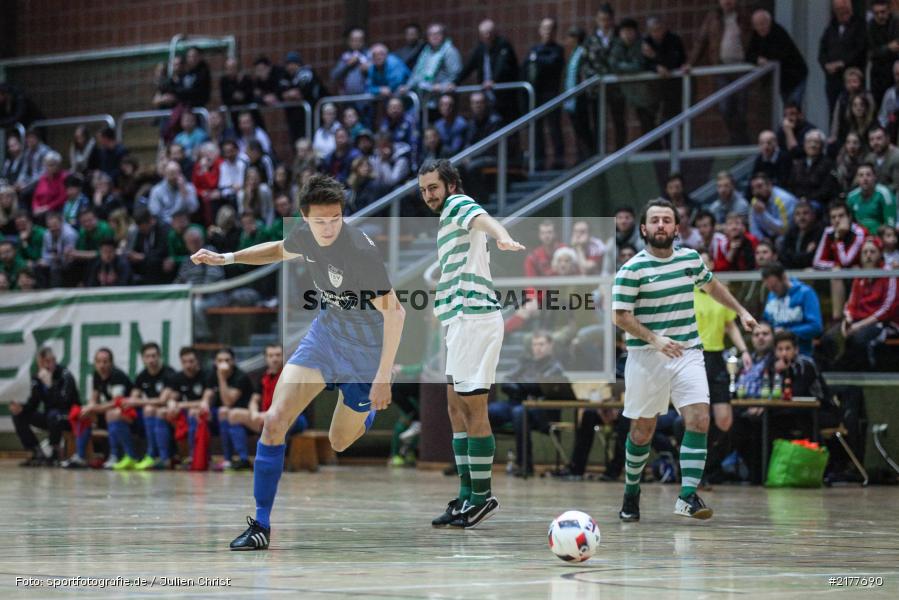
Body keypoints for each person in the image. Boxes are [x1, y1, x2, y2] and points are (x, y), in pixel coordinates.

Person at [190, 174, 405, 549]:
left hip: (363, 354)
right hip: (324, 338)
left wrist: (383, 377)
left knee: (339, 442)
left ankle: (364, 411)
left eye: (335, 218)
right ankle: (261, 525)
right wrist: (227, 258)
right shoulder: (306, 236)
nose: (328, 227)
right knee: (273, 421)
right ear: (305, 218)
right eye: (320, 220)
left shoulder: (360, 252)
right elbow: (277, 249)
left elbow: (396, 313)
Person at [611, 198, 757, 522]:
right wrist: (655, 339)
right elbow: (620, 316)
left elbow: (713, 286)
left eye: (667, 220)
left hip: (688, 351)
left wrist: (742, 311)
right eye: (655, 220)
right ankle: (631, 491)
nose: (661, 225)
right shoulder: (631, 269)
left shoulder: (690, 259)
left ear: (677, 228)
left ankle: (687, 496)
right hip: (647, 355)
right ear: (643, 229)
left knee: (699, 420)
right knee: (643, 430)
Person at [418, 159, 524, 529]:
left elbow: (482, 218)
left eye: (433, 187)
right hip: (459, 320)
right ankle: (466, 494)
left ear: (450, 184)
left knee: (473, 408)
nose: (428, 195)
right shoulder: (448, 217)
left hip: (475, 319)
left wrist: (501, 235)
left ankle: (481, 497)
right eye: (423, 190)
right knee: (454, 408)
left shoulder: (458, 204)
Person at [693, 249, 752, 483]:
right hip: (693, 357)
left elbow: (731, 326)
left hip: (717, 358)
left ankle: (710, 464)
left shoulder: (720, 293)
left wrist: (745, 350)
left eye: (707, 264)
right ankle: (699, 473)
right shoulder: (685, 294)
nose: (703, 268)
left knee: (724, 420)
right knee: (699, 419)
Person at [491, 331, 566, 477]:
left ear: (550, 346)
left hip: (541, 409)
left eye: (541, 344)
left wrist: (519, 387)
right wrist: (521, 388)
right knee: (489, 410)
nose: (537, 348)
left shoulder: (556, 367)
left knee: (519, 412)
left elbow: (539, 387)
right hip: (517, 403)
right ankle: (469, 463)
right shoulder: (526, 363)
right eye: (535, 344)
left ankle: (525, 465)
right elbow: (506, 381)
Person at [224, 345, 309, 471]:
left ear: (284, 357)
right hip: (267, 417)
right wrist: (254, 414)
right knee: (233, 415)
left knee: (276, 419)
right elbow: (254, 399)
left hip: (293, 418)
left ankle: (274, 461)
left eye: (278, 355)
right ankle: (243, 459)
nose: (274, 359)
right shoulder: (263, 377)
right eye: (271, 356)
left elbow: (288, 405)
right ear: (266, 358)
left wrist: (266, 415)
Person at [821, 236, 898, 370]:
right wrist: (848, 321)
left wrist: (859, 326)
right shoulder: (859, 277)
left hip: (881, 324)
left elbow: (887, 309)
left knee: (857, 339)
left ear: (880, 254)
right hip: (856, 321)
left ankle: (864, 375)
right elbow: (850, 303)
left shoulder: (889, 275)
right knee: (829, 337)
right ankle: (836, 373)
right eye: (865, 252)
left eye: (872, 252)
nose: (868, 255)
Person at [685, 0, 751, 145]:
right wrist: (690, 63)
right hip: (722, 68)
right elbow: (701, 42)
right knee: (724, 106)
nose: (727, 2)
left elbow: (753, 39)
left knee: (741, 107)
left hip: (741, 68)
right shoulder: (712, 18)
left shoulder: (743, 17)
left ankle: (741, 140)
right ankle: (735, 138)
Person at [10, 347, 79, 467]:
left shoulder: (65, 375)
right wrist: (22, 407)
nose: (45, 366)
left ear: (54, 360)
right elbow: (34, 404)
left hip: (69, 416)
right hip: (51, 418)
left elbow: (64, 402)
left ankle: (55, 453)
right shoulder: (38, 378)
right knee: (19, 415)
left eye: (48, 361)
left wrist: (50, 385)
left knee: (54, 415)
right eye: (41, 363)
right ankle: (36, 452)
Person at [453, 19, 521, 126]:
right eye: (484, 33)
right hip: (488, 94)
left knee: (507, 125)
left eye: (490, 33)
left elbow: (501, 65)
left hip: (504, 95)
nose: (487, 36)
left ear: (495, 33)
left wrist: (493, 80)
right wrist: (455, 82)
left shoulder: (503, 45)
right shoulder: (481, 48)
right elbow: (469, 66)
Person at [79, 348, 138, 469]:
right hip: (107, 413)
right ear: (95, 363)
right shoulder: (97, 375)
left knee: (112, 413)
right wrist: (89, 407)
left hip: (128, 414)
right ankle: (80, 456)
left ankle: (117, 455)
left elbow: (117, 402)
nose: (102, 365)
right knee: (82, 414)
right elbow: (93, 398)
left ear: (111, 363)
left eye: (105, 362)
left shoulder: (117, 375)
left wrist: (95, 408)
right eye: (99, 362)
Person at [126, 342, 176, 470]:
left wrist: (137, 402)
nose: (151, 360)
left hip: (169, 415)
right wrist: (129, 402)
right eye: (148, 357)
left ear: (159, 357)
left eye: (154, 356)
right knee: (122, 413)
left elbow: (162, 400)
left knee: (150, 409)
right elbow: (133, 397)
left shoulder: (169, 373)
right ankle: (125, 455)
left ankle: (161, 457)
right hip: (148, 416)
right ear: (143, 358)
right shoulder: (142, 376)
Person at [523, 18, 565, 169]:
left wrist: (537, 59)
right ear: (540, 31)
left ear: (554, 32)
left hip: (551, 94)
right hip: (536, 95)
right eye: (544, 28)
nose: (547, 32)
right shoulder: (533, 49)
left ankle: (559, 159)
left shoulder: (558, 49)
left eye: (550, 29)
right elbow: (525, 67)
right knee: (536, 130)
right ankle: (539, 160)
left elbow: (552, 63)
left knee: (554, 128)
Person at [204, 348, 256, 471]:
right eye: (220, 360)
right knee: (197, 414)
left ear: (233, 361)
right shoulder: (212, 374)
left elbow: (228, 402)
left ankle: (234, 459)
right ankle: (198, 458)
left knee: (225, 412)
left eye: (227, 360)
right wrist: (204, 403)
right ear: (215, 362)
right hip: (220, 417)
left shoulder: (240, 376)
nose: (223, 363)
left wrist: (221, 378)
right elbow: (208, 393)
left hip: (241, 416)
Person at [583, 4, 625, 149]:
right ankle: (599, 151)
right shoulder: (591, 40)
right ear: (597, 20)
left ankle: (620, 149)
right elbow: (586, 63)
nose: (605, 23)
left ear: (612, 20)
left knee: (619, 120)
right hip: (597, 88)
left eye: (607, 20)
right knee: (598, 121)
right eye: (602, 20)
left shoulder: (620, 35)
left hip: (617, 87)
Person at [746, 9, 808, 105]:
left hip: (795, 76)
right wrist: (758, 59)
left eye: (763, 23)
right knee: (787, 108)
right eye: (757, 25)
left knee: (793, 108)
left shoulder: (779, 33)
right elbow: (748, 55)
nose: (760, 27)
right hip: (782, 82)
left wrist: (766, 59)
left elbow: (780, 54)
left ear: (769, 22)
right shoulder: (756, 35)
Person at [761, 262, 823, 355]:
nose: (773, 291)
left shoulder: (805, 293)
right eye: (769, 288)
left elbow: (816, 326)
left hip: (801, 354)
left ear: (784, 278)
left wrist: (788, 332)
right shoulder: (772, 295)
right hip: (775, 355)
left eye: (774, 286)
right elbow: (766, 322)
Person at [818, 0, 867, 116]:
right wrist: (826, 65)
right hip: (833, 80)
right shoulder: (831, 27)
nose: (843, 14)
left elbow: (860, 50)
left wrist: (842, 63)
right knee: (834, 112)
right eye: (839, 11)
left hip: (853, 78)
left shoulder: (860, 25)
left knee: (855, 111)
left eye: (845, 11)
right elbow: (822, 51)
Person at [642, 16, 687, 140]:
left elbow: (675, 61)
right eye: (653, 30)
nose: (657, 33)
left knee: (674, 118)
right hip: (653, 89)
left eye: (659, 29)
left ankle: (677, 148)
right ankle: (659, 153)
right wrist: (655, 68)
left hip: (673, 87)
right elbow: (643, 64)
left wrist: (655, 56)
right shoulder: (645, 42)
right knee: (653, 121)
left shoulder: (674, 40)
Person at [846, 163, 896, 234]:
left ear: (874, 177)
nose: (865, 178)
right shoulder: (851, 197)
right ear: (857, 179)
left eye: (868, 175)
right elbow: (847, 223)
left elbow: (890, 224)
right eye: (861, 175)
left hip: (880, 236)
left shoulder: (884, 194)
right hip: (859, 236)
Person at [868, 0, 899, 111]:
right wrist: (888, 48)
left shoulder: (896, 23)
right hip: (878, 77)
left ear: (888, 10)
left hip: (894, 72)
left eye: (883, 12)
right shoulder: (870, 26)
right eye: (877, 13)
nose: (880, 16)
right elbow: (871, 53)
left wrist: (882, 50)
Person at [749, 172, 796, 242]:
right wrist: (762, 240)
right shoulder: (756, 200)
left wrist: (763, 213)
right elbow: (753, 228)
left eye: (759, 186)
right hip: (768, 237)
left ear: (769, 185)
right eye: (753, 188)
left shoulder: (784, 200)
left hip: (788, 235)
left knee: (780, 241)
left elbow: (784, 230)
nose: (756, 191)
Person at [779, 200, 825, 269]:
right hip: (792, 272)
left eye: (805, 213)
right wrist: (805, 253)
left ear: (813, 215)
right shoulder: (791, 232)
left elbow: (813, 259)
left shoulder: (820, 232)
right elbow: (784, 257)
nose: (801, 217)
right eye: (797, 214)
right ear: (794, 217)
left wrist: (794, 256)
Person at [866, 126, 899, 197]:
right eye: (872, 139)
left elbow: (897, 185)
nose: (875, 142)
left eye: (879, 138)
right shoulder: (869, 158)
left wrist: (876, 192)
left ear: (887, 139)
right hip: (874, 197)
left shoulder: (896, 156)